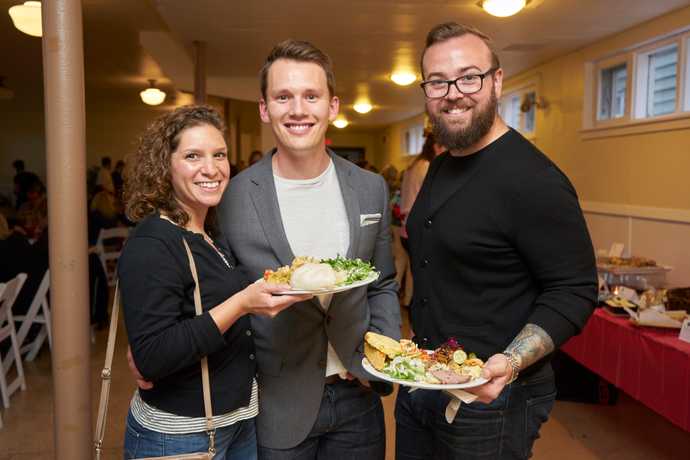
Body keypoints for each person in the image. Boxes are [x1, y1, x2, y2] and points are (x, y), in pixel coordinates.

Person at [394, 22, 597, 460]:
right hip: (425, 382)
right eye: (437, 81)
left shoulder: (535, 180)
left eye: (469, 76)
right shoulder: (442, 166)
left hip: (494, 400)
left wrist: (510, 361)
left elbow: (575, 290)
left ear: (497, 80)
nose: (452, 92)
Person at [218, 40, 401, 459]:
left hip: (358, 398)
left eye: (311, 96)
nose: (298, 110)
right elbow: (220, 294)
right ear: (265, 109)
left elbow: (383, 282)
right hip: (276, 402)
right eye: (283, 97)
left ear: (332, 106)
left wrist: (380, 363)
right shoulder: (234, 195)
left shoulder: (370, 188)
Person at [118, 105, 310, 459]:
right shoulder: (154, 242)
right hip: (183, 436)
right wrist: (241, 304)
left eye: (219, 155)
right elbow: (152, 357)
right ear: (165, 166)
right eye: (193, 156)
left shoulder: (210, 233)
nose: (211, 168)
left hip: (236, 422)